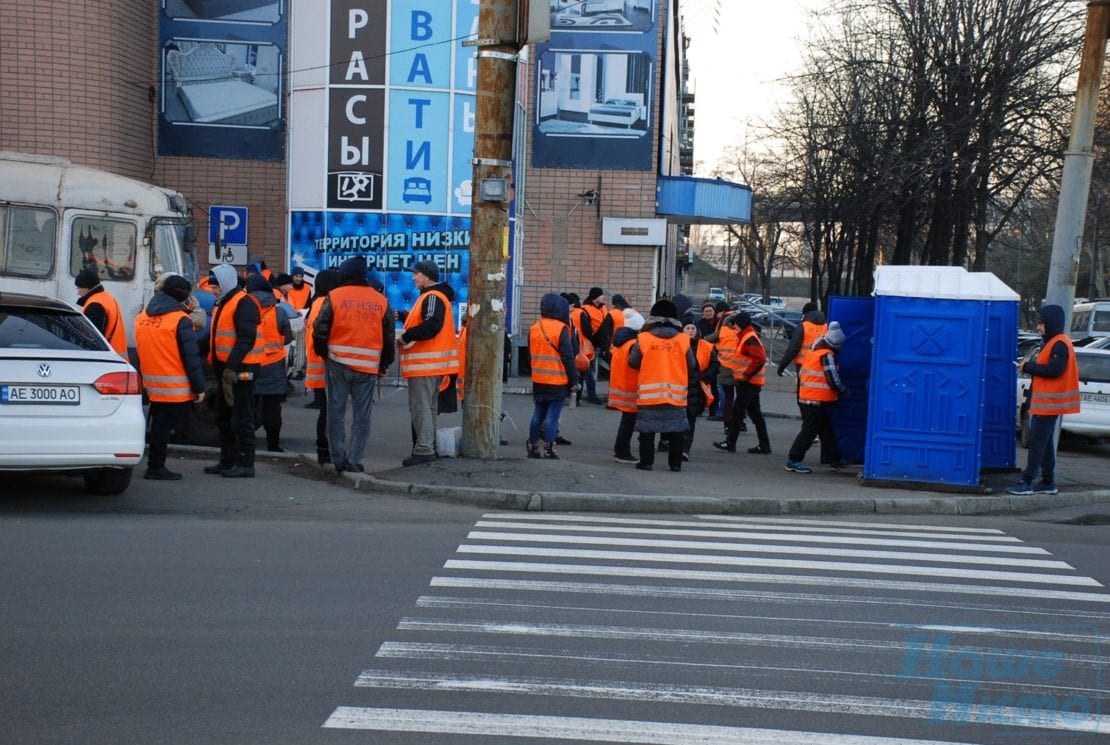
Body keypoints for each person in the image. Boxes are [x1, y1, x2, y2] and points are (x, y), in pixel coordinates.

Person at [313, 256, 395, 474]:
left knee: (335, 412)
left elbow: (320, 328)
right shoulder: (380, 301)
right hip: (367, 367)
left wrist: (324, 353)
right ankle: (356, 460)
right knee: (362, 416)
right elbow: (388, 336)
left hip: (338, 363)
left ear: (345, 273)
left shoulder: (335, 296)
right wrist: (384, 363)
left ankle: (338, 458)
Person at [133, 275, 206, 480]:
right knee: (164, 428)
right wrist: (199, 387)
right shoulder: (180, 320)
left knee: (156, 425)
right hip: (174, 386)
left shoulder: (142, 317)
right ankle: (156, 467)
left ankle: (153, 464)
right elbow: (190, 357)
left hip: (152, 383)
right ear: (183, 298)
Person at [1008, 304, 1079, 496]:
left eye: (1041, 324)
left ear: (1051, 323)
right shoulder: (1055, 342)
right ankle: (1048, 482)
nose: (1038, 328)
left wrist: (1028, 367)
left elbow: (1055, 370)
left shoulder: (1058, 344)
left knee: (1037, 442)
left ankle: (1027, 481)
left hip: (1049, 403)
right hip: (1046, 403)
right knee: (1045, 442)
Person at [398, 259, 458, 466]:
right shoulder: (435, 296)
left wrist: (406, 337)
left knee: (421, 407)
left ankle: (424, 449)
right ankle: (428, 447)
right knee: (428, 407)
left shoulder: (432, 296)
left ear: (427, 275)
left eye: (416, 273)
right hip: (433, 364)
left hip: (426, 364)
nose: (413, 277)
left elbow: (432, 324)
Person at [206, 263, 264, 478]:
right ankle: (228, 460)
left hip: (242, 370)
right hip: (228, 371)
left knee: (242, 418)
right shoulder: (225, 303)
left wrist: (230, 367)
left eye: (216, 286)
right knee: (223, 417)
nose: (213, 290)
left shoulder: (243, 303)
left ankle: (245, 463)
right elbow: (217, 337)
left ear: (227, 284)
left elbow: (246, 339)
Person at [628, 299, 698, 472]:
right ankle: (675, 464)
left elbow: (633, 361)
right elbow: (692, 365)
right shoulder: (683, 340)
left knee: (647, 429)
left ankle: (646, 462)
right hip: (676, 393)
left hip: (649, 393)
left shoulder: (644, 338)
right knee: (676, 429)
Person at [785, 321, 851, 473]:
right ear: (835, 344)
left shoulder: (813, 352)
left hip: (809, 398)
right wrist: (843, 390)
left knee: (825, 430)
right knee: (809, 432)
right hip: (815, 400)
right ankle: (793, 459)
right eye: (839, 346)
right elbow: (832, 378)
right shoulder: (827, 355)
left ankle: (835, 460)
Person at [246, 274, 293, 452]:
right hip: (274, 364)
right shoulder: (279, 311)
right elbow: (287, 337)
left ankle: (247, 443)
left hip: (250, 363)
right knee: (272, 407)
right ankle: (273, 445)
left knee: (248, 404)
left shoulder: (245, 308)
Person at [527, 293, 578, 459]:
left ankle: (533, 447)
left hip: (539, 379)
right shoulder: (561, 329)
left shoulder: (534, 327)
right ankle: (549, 449)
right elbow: (568, 357)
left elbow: (530, 353)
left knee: (537, 414)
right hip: (557, 379)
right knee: (552, 417)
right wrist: (574, 380)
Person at [714, 311, 772, 454]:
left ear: (740, 324)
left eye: (735, 325)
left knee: (738, 412)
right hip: (750, 381)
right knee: (755, 413)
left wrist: (746, 375)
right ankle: (764, 445)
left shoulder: (748, 339)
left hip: (749, 382)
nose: (734, 328)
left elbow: (759, 359)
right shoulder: (747, 336)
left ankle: (730, 443)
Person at [303, 269, 340, 464]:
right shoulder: (326, 303)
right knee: (329, 411)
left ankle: (323, 450)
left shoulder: (316, 302)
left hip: (317, 363)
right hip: (325, 365)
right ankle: (324, 450)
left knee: (326, 410)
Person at [608, 311, 644, 464]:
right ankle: (622, 452)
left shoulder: (620, 342)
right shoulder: (633, 344)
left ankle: (620, 450)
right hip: (632, 387)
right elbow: (636, 364)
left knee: (627, 422)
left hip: (622, 386)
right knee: (628, 423)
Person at [683, 317, 719, 458]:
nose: (691, 331)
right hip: (680, 384)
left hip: (697, 387)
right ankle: (670, 443)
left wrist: (704, 376)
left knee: (690, 418)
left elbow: (715, 365)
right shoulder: (677, 344)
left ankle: (685, 449)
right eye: (688, 328)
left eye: (693, 328)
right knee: (677, 417)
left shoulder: (706, 346)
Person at [75, 268, 127, 356]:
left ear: (87, 288)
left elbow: (92, 338)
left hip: (106, 358)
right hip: (116, 356)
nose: (77, 292)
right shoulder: (107, 297)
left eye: (79, 288)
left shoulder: (95, 305)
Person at [578, 287, 613, 404]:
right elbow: (586, 329)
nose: (603, 297)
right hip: (591, 343)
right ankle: (591, 395)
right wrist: (594, 339)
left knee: (592, 370)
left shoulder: (603, 308)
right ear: (595, 297)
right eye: (601, 295)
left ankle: (589, 394)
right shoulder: (585, 310)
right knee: (589, 371)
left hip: (602, 343)